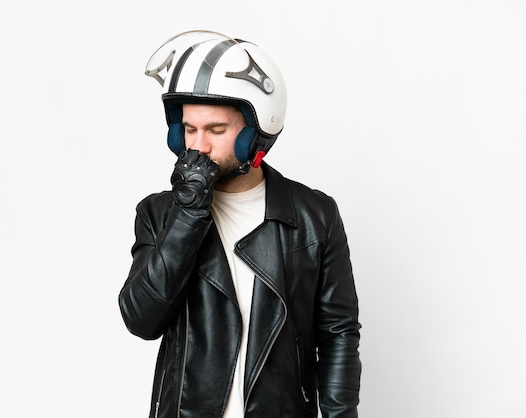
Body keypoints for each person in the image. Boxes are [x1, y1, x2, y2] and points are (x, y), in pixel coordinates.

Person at [118, 30, 361, 418]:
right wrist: (188, 215)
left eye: (216, 130)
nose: (198, 147)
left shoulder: (316, 217)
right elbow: (141, 319)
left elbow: (338, 335)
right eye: (188, 130)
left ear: (256, 134)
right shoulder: (159, 214)